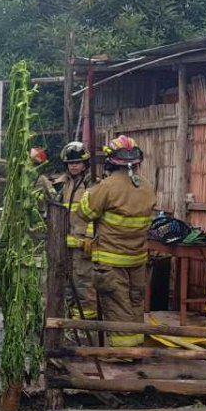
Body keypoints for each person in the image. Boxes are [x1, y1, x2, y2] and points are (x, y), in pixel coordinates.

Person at [77, 135, 156, 347]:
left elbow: (85, 213)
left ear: (110, 160)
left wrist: (90, 192)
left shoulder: (107, 187)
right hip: (138, 260)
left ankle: (124, 355)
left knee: (118, 307)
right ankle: (137, 347)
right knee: (135, 303)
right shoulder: (147, 186)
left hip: (111, 262)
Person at [55, 141, 97, 320]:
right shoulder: (62, 185)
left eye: (77, 162)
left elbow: (96, 213)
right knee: (65, 282)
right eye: (70, 163)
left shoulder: (93, 185)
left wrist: (90, 237)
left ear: (85, 164)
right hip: (65, 244)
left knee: (84, 283)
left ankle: (85, 322)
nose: (73, 166)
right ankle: (67, 318)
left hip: (83, 244)